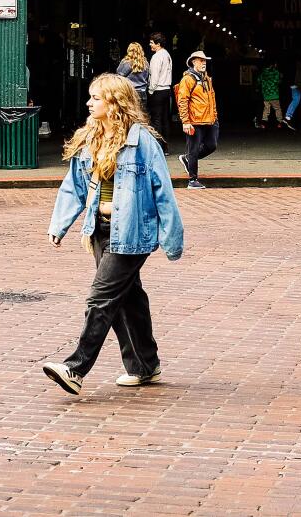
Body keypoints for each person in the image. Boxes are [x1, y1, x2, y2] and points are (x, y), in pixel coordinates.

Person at [40, 74, 184, 395]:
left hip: (132, 231)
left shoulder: (141, 140)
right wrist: (59, 224)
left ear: (115, 102)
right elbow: (74, 186)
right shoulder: (91, 137)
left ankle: (76, 368)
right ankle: (145, 366)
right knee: (127, 299)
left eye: (96, 98)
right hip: (98, 230)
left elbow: (163, 191)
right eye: (90, 98)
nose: (89, 103)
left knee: (101, 298)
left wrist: (173, 240)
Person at [175, 50, 220, 189]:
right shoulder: (188, 79)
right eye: (201, 60)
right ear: (193, 61)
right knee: (193, 149)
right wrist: (186, 121)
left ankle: (187, 159)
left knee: (212, 145)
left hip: (210, 119)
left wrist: (214, 115)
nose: (204, 63)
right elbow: (182, 101)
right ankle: (192, 180)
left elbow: (212, 97)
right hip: (195, 121)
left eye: (205, 61)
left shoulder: (207, 78)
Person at [145, 33, 176, 142]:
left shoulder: (157, 56)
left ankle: (159, 145)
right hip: (167, 89)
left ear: (158, 44)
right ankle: (166, 145)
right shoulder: (167, 55)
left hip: (157, 90)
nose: (150, 45)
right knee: (165, 118)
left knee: (156, 119)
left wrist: (150, 90)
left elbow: (154, 75)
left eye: (152, 43)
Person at [256, 58, 286, 129]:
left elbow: (258, 81)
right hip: (274, 94)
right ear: (272, 65)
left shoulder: (262, 73)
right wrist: (281, 78)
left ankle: (263, 123)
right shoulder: (276, 72)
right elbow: (278, 82)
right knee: (277, 109)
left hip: (266, 95)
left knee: (266, 109)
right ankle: (279, 123)